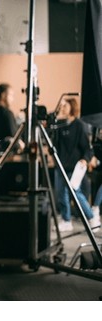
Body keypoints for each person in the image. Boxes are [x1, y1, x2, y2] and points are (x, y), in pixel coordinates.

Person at [53, 97, 100, 232]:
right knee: (62, 194)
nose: (62, 109)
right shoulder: (60, 125)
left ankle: (92, 218)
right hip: (61, 166)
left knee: (76, 193)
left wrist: (85, 159)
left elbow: (87, 148)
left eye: (65, 107)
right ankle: (67, 220)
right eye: (62, 107)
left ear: (72, 108)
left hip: (74, 167)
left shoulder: (80, 125)